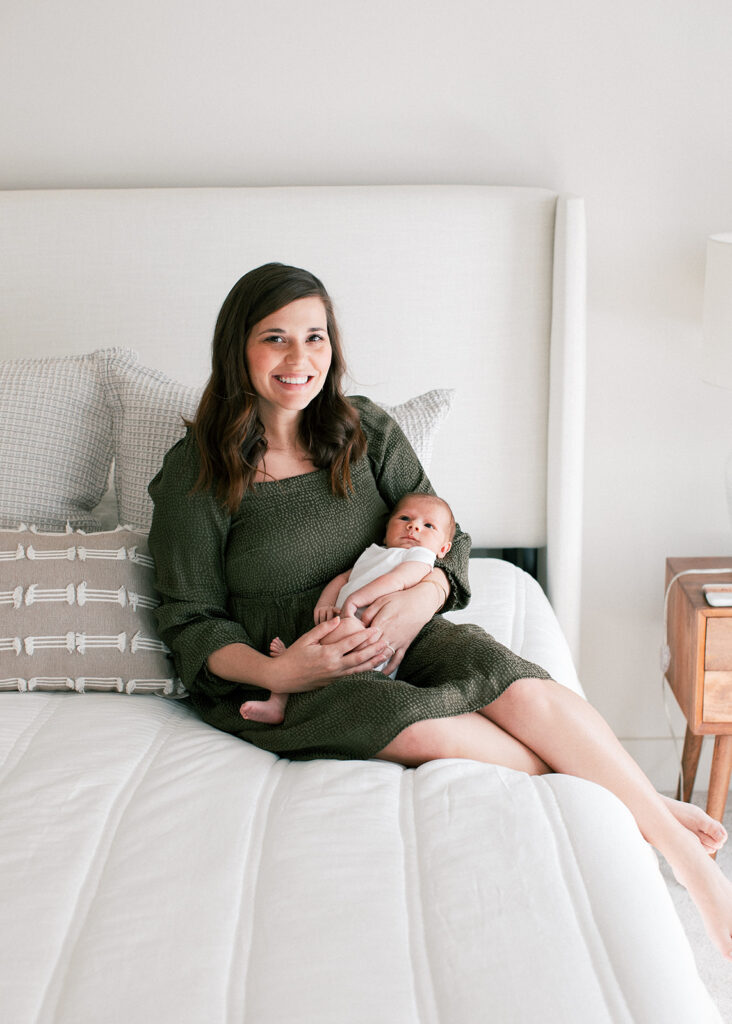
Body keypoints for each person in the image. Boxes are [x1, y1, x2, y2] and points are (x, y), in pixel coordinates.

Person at [148, 262, 732, 960]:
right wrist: (283, 674)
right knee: (422, 727)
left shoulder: (364, 429)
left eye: (315, 337)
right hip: (289, 669)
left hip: (403, 628)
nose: (299, 359)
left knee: (511, 679)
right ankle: (645, 805)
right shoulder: (197, 470)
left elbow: (445, 538)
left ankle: (690, 864)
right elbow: (190, 619)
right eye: (275, 338)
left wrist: (420, 598)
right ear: (237, 349)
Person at [239, 491, 455, 723]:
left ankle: (292, 667)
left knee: (338, 634)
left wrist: (355, 600)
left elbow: (398, 580)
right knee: (312, 638)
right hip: (344, 622)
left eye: (428, 525)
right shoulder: (374, 553)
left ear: (443, 549)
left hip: (372, 635)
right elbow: (343, 579)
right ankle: (278, 700)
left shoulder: (421, 557)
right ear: (386, 530)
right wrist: (325, 603)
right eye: (404, 518)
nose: (413, 526)